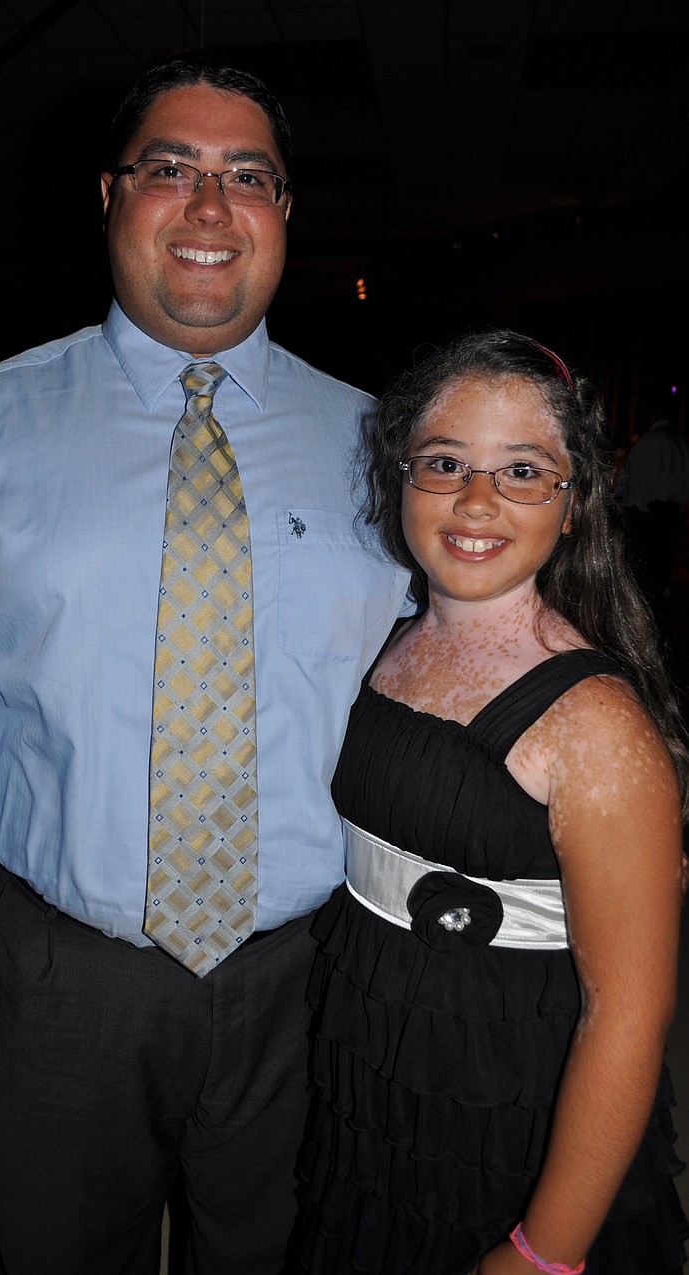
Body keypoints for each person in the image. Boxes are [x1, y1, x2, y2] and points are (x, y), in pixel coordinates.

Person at [0, 58, 410, 1275]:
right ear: (110, 196)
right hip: (55, 983)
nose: (210, 206)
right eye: (171, 169)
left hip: (314, 975)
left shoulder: (383, 447)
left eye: (246, 177)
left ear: (284, 215)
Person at [293, 329, 689, 1273]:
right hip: (381, 1072)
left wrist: (543, 1250)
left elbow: (626, 1014)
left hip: (509, 1104)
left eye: (522, 469)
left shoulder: (593, 722)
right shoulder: (384, 646)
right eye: (444, 463)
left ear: (575, 497)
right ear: (400, 477)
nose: (476, 502)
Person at [617, 388, 689, 636]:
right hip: (669, 520)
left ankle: (642, 635)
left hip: (647, 521)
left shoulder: (652, 441)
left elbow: (636, 490)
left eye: (641, 408)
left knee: (641, 585)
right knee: (657, 581)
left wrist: (625, 514)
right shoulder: (678, 441)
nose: (638, 414)